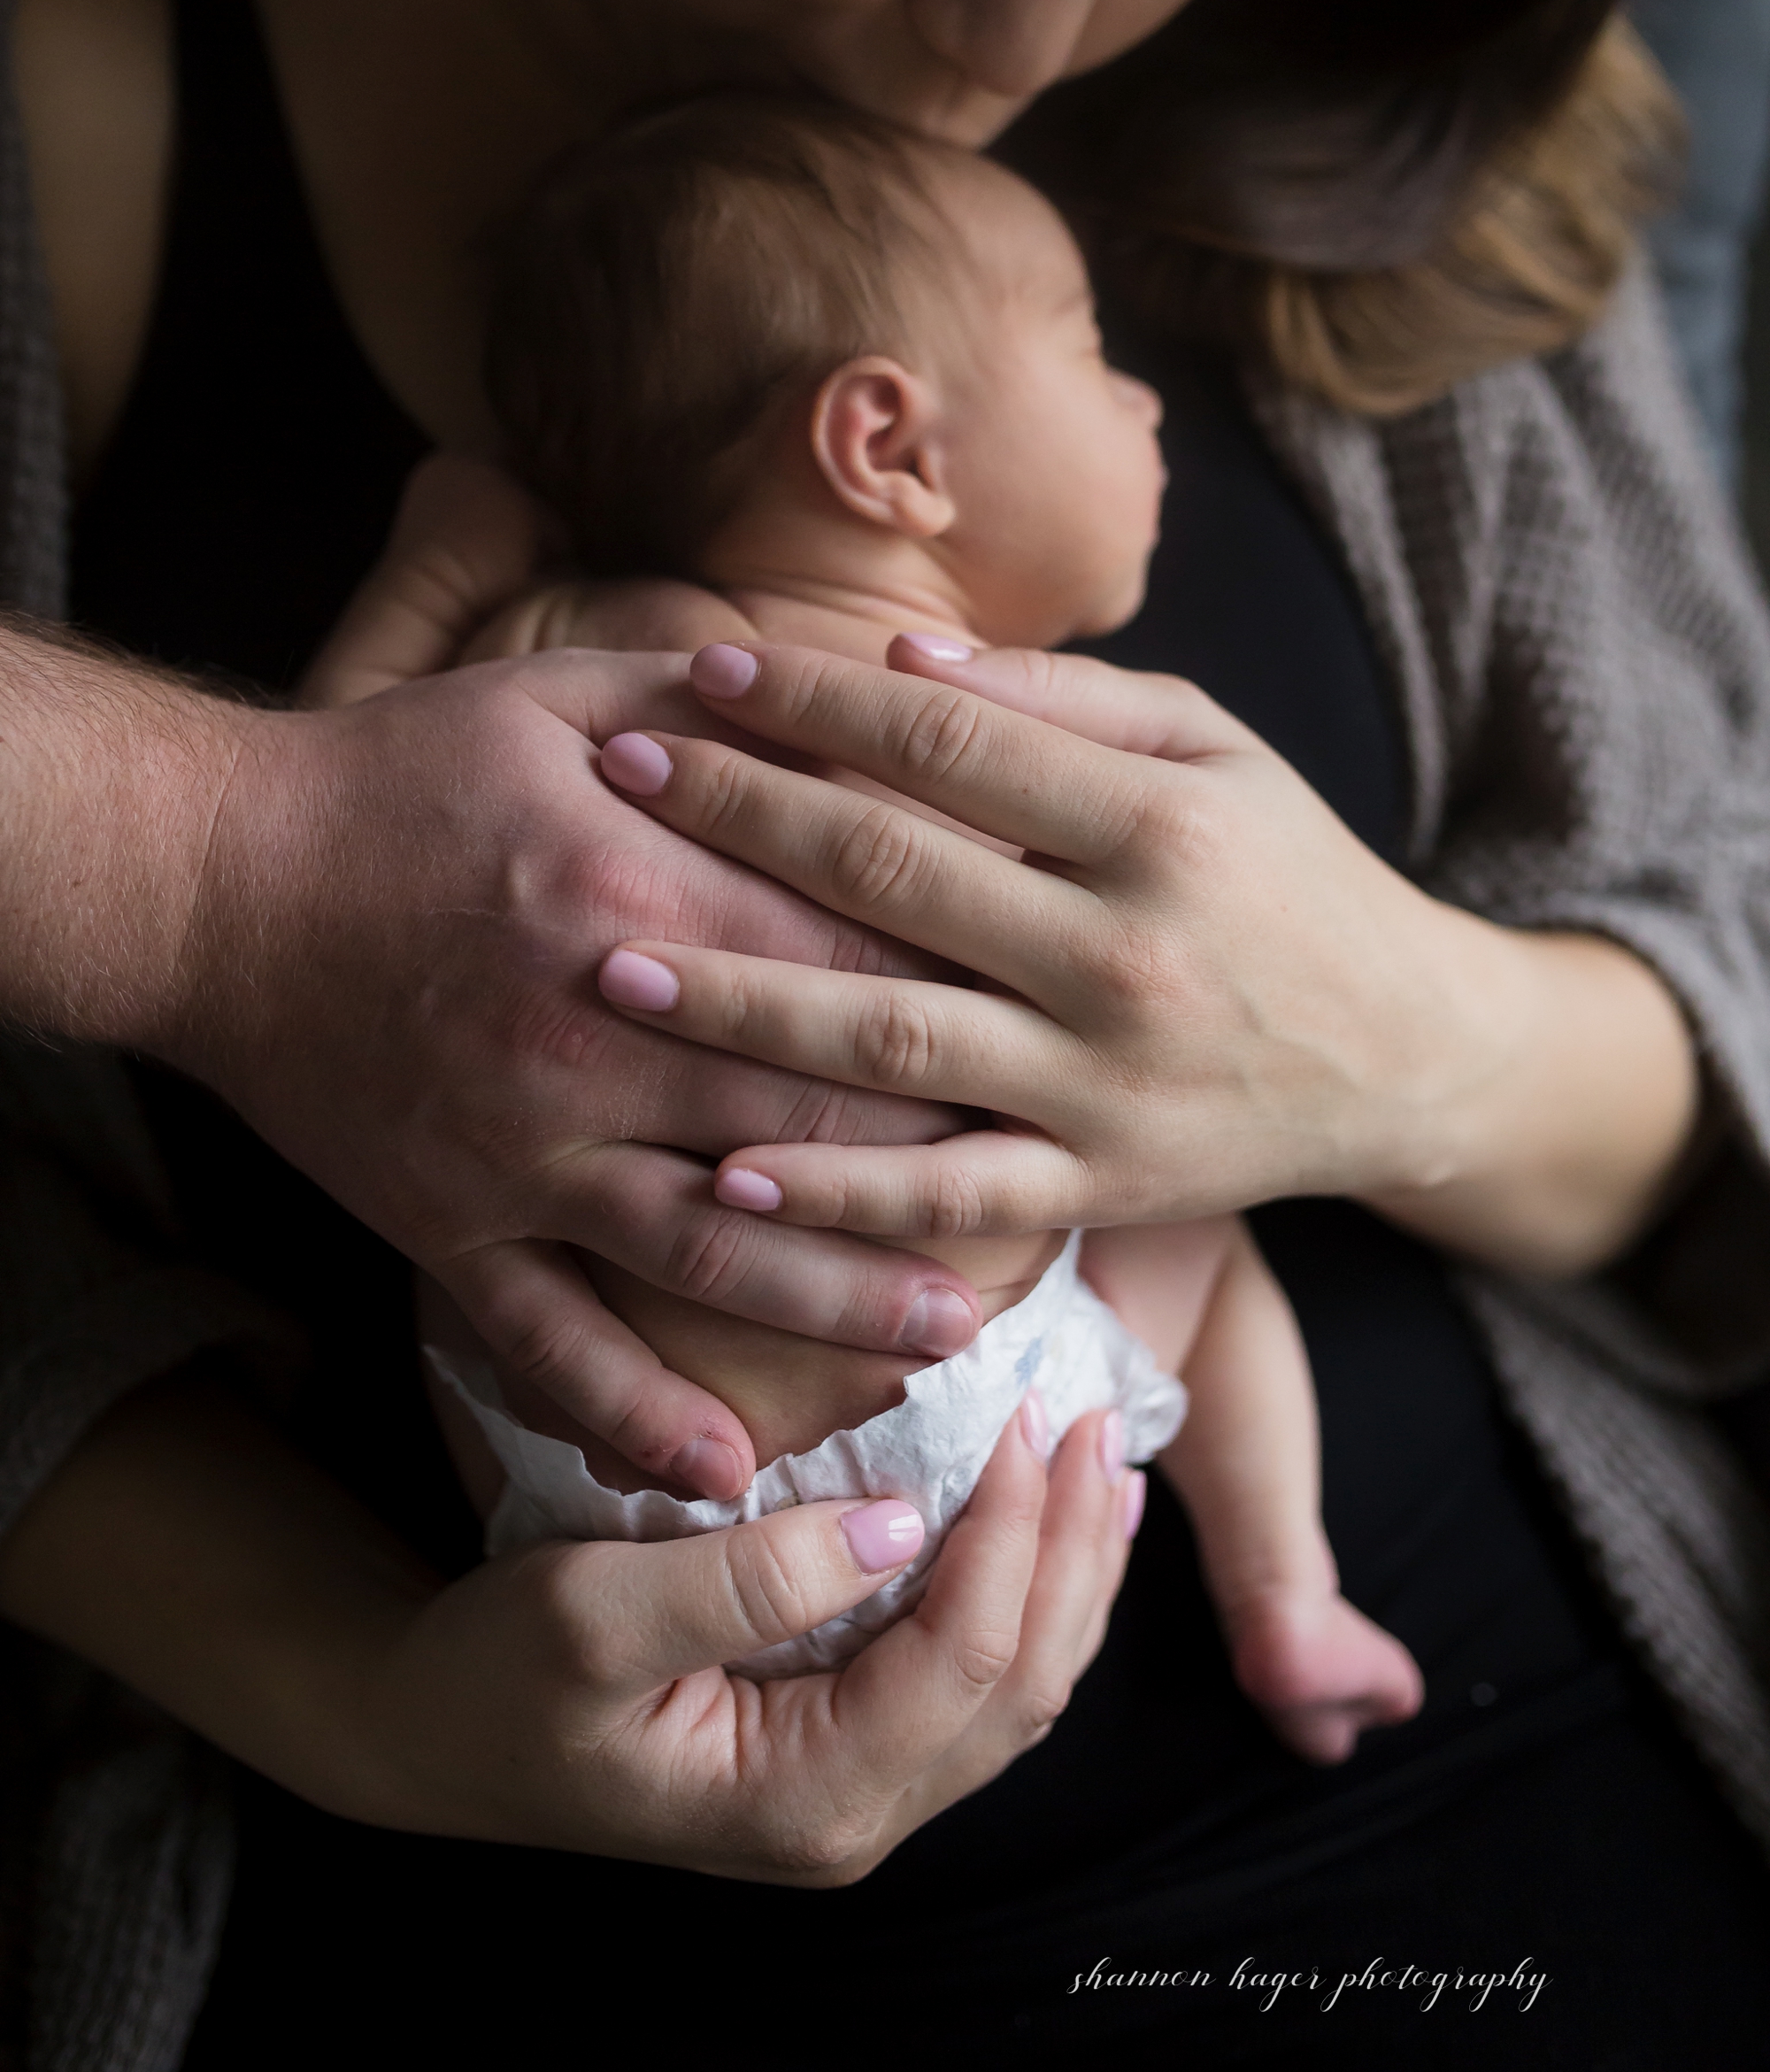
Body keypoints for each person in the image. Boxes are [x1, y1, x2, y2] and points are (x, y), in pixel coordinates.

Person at [1, 0, 1767, 2061]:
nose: (1029, 32)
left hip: (1538, 1788)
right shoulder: (73, 124)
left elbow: (1724, 932)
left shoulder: (1376, 133)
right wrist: (354, 1699)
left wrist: (1392, 1039)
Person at [313, 85, 1425, 1758]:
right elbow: (1183, 1015)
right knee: (1210, 1189)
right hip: (977, 1411)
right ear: (889, 448)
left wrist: (433, 560)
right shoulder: (1040, 735)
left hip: (583, 1471)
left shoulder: (568, 642)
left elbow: (327, 807)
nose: (1143, 399)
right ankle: (1286, 1590)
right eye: (1093, 347)